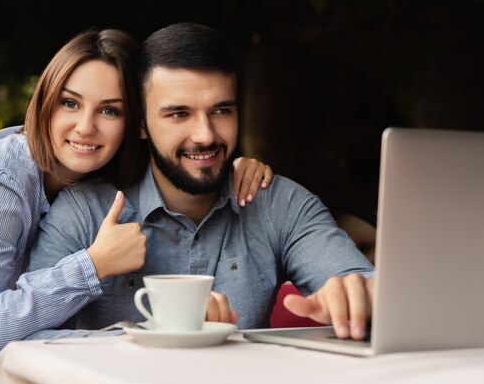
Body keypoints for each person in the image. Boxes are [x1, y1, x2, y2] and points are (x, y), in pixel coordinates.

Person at [0, 28, 273, 384]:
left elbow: (185, 150)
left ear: (137, 125)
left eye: (109, 110)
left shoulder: (96, 176)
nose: (85, 127)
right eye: (69, 103)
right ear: (46, 101)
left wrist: (227, 169)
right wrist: (92, 265)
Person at [29, 23, 376, 341]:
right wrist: (150, 337)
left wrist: (357, 293)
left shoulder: (275, 203)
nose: (205, 135)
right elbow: (23, 339)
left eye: (221, 111)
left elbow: (365, 285)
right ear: (142, 125)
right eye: (179, 114)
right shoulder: (86, 210)